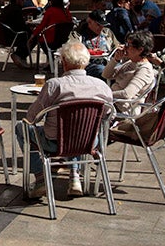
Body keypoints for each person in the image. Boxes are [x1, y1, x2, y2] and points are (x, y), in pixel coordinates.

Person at [15, 41, 113, 198]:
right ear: (86, 62)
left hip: (54, 143)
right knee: (78, 130)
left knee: (21, 127)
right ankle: (75, 176)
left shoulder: (55, 85)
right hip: (89, 142)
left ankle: (41, 178)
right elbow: (109, 116)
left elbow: (31, 117)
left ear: (64, 62)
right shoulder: (102, 86)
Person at [102, 30, 157, 115]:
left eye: (128, 45)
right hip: (113, 103)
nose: (124, 47)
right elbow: (106, 75)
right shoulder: (131, 62)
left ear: (140, 50)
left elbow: (127, 94)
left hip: (123, 108)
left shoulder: (144, 70)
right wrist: (116, 59)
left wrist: (103, 94)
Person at [75, 9, 120, 78]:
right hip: (89, 64)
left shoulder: (107, 32)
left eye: (103, 25)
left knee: (121, 69)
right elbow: (73, 51)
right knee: (102, 70)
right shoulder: (78, 34)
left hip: (108, 62)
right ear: (89, 22)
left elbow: (116, 46)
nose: (101, 28)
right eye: (98, 25)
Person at [0, 0, 31, 68]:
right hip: (12, 36)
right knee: (33, 36)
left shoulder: (7, 8)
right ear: (17, 0)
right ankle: (19, 55)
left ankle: (21, 57)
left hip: (2, 36)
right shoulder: (16, 10)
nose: (23, 2)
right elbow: (21, 26)